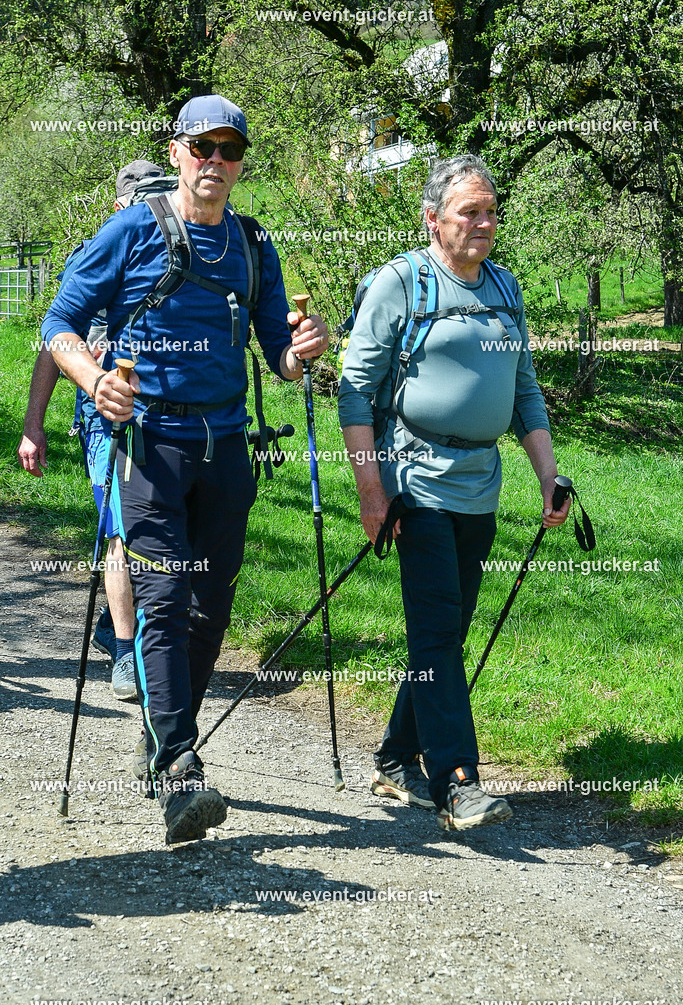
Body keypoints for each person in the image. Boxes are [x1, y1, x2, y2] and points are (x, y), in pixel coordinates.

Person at [42, 94, 329, 843]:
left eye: (229, 150)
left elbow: (279, 355)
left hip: (226, 449)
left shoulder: (252, 244)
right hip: (151, 447)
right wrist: (91, 379)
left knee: (210, 610)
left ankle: (167, 738)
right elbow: (58, 324)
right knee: (163, 598)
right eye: (202, 147)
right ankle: (180, 769)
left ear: (239, 164)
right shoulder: (131, 228)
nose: (214, 162)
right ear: (176, 152)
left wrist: (301, 354)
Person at [338, 154, 570, 832]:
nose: (484, 223)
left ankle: (392, 758)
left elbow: (523, 389)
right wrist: (370, 490)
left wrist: (548, 475)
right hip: (414, 482)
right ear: (432, 218)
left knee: (445, 632)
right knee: (438, 631)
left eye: (491, 210)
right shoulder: (399, 284)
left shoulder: (503, 287)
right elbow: (355, 392)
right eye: (469, 211)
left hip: (480, 485)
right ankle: (457, 782)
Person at [18, 159, 165, 702]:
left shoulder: (196, 246)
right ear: (123, 206)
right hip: (107, 421)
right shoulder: (97, 254)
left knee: (174, 531)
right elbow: (53, 344)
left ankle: (116, 623)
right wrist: (34, 425)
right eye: (144, 201)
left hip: (179, 421)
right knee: (121, 533)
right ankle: (128, 653)